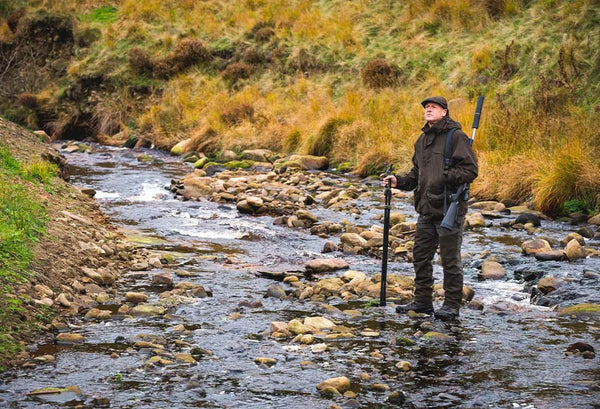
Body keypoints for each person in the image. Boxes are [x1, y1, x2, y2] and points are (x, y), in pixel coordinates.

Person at [383, 96, 478, 320]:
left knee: (450, 260)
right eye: (426, 107)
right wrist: (398, 182)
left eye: (433, 107)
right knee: (420, 257)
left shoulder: (456, 137)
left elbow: (470, 170)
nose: (428, 109)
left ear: (444, 112)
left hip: (449, 209)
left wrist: (444, 176)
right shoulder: (421, 141)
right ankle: (423, 302)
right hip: (426, 209)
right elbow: (417, 175)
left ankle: (451, 306)